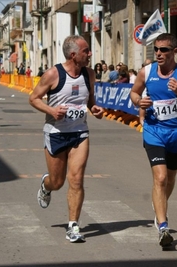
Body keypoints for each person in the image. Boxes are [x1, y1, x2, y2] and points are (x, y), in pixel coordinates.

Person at [28, 35, 104, 243]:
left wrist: (94, 109)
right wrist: (51, 110)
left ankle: (73, 226)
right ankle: (46, 185)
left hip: (79, 132)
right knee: (58, 182)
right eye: (86, 51)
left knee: (77, 179)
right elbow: (33, 98)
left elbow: (89, 101)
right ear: (73, 55)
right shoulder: (53, 74)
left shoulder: (89, 73)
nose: (90, 54)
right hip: (55, 133)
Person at [130, 33, 177, 247]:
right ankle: (163, 226)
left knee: (169, 179)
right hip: (153, 131)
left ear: (175, 51)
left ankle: (159, 205)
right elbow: (133, 93)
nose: (159, 54)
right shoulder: (147, 71)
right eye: (156, 50)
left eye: (164, 50)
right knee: (160, 179)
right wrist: (140, 102)